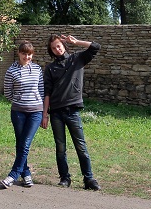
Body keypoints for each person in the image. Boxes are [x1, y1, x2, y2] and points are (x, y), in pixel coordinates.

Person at [40, 34, 101, 191]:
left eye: (59, 46)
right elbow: (47, 92)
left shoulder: (77, 59)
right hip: (56, 113)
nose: (57, 49)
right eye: (54, 48)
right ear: (51, 51)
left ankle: (89, 179)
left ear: (64, 45)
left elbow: (95, 47)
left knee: (81, 146)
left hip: (72, 111)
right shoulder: (50, 68)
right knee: (60, 148)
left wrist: (76, 42)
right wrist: (44, 114)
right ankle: (65, 178)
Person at [1, 40, 44, 189]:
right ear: (19, 53)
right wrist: (19, 100)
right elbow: (7, 92)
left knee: (25, 143)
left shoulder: (38, 69)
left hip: (35, 111)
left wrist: (44, 112)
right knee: (21, 143)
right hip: (18, 111)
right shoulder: (11, 71)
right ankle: (26, 174)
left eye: (30, 54)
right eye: (24, 53)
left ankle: (13, 175)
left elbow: (41, 90)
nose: (27, 57)